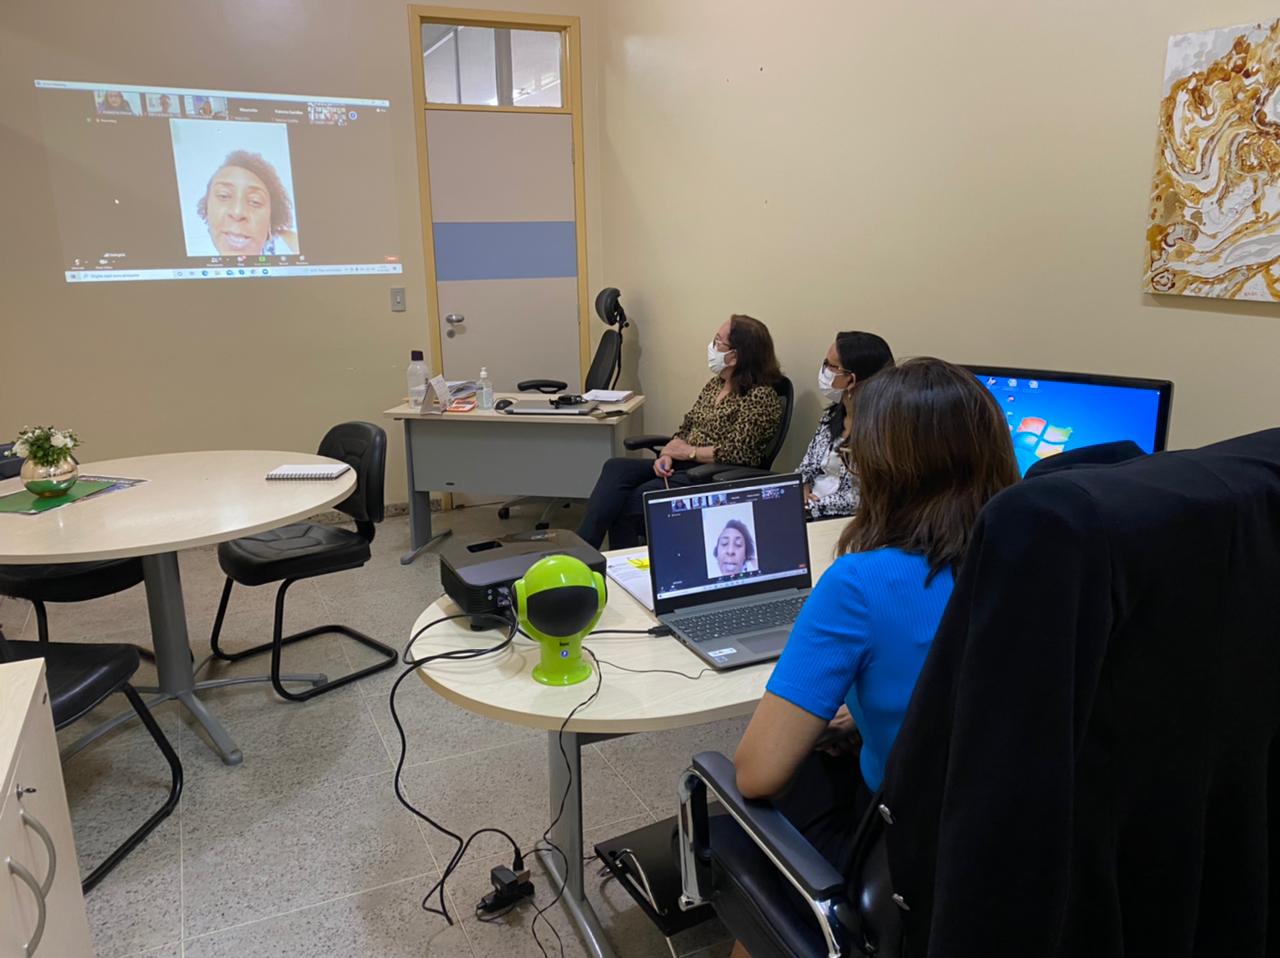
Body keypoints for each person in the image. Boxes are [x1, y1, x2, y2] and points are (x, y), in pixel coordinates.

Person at [727, 359, 1018, 957]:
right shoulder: (1042, 560)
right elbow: (981, 683)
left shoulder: (861, 583)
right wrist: (873, 714)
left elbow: (757, 773)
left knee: (757, 799)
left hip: (908, 854)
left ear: (887, 470)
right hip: (1018, 839)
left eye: (854, 453)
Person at [576, 315, 785, 548]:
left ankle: (616, 568)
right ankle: (582, 551)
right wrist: (667, 453)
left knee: (631, 499)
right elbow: (687, 426)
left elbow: (740, 453)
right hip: (683, 465)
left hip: (709, 475)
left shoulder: (761, 397)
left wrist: (689, 453)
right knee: (615, 468)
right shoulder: (716, 384)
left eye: (718, 343)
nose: (711, 347)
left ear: (735, 356)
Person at [799, 331, 894, 519]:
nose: (824, 370)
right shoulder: (833, 414)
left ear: (851, 379)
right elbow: (806, 465)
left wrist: (812, 507)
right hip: (809, 510)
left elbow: (863, 498)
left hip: (845, 519)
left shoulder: (883, 429)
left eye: (831, 366)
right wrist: (800, 486)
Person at [197, 150, 299, 257]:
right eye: (224, 196)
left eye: (255, 201)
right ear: (206, 208)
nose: (237, 212)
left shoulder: (292, 248)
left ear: (271, 217)